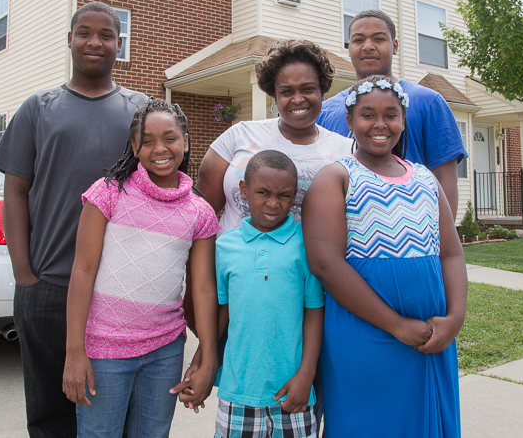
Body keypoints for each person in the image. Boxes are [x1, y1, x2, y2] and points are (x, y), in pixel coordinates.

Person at [0, 2, 148, 437]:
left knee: (114, 414)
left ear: (120, 44)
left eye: (105, 35)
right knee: (49, 413)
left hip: (121, 290)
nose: (94, 42)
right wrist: (25, 275)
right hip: (50, 286)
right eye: (84, 32)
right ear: (70, 40)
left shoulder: (140, 111)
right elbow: (16, 193)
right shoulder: (38, 109)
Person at [302, 75, 468, 438]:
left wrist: (454, 318)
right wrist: (396, 325)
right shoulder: (337, 178)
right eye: (367, 115)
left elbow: (452, 254)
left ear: (404, 121)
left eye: (391, 115)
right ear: (349, 122)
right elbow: (326, 265)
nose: (380, 124)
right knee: (366, 425)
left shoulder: (425, 178)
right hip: (364, 336)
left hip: (430, 338)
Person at [62, 99, 220, 437]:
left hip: (165, 350)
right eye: (147, 140)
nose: (159, 148)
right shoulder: (107, 194)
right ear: (133, 146)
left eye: (170, 138)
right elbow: (82, 271)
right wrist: (74, 351)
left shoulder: (200, 212)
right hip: (104, 350)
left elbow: (204, 288)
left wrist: (209, 356)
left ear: (186, 141)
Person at [212, 150, 324, 438]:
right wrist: (204, 361)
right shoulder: (225, 247)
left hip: (292, 391)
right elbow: (222, 313)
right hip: (238, 392)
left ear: (294, 195)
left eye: (284, 195)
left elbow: (314, 311)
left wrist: (306, 376)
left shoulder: (304, 244)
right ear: (244, 190)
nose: (273, 203)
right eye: (263, 193)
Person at [316, 9, 467, 220]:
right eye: (358, 40)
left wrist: (440, 244)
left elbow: (445, 181)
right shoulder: (327, 110)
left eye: (378, 38)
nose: (368, 46)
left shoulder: (428, 102)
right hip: (346, 237)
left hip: (413, 234)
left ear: (394, 46)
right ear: (349, 47)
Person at [197, 39, 353, 235]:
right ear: (274, 95)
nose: (297, 99)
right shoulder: (239, 136)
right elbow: (201, 219)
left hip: (307, 266)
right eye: (286, 91)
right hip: (231, 264)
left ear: (322, 91)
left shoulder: (348, 151)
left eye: (308, 89)